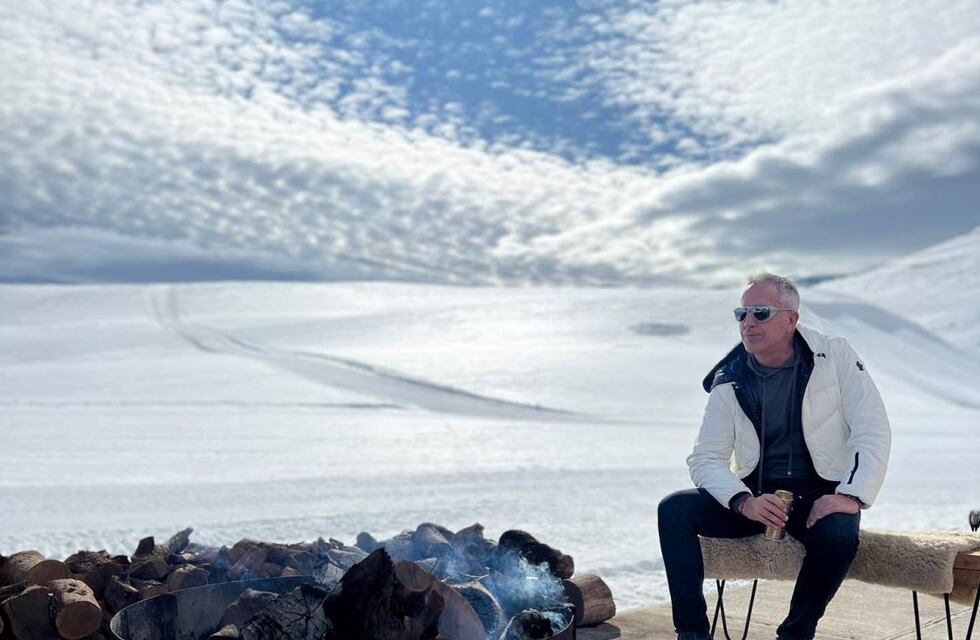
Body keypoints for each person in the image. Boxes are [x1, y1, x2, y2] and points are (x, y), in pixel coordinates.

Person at [658, 273, 891, 640]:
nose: (748, 322)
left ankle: (794, 634)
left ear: (790, 319)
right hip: (756, 495)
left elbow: (871, 428)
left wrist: (850, 495)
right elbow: (706, 458)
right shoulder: (729, 377)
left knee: (838, 536)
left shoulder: (834, 355)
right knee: (674, 511)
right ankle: (692, 634)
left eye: (761, 313)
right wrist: (742, 501)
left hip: (819, 494)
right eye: (742, 314)